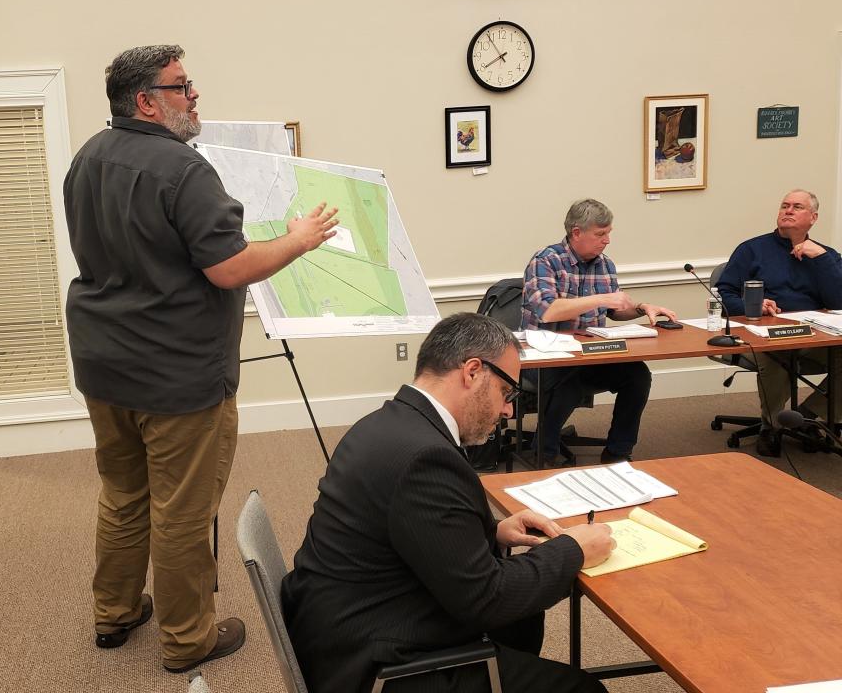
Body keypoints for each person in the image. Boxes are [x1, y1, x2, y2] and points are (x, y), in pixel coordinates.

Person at [63, 44, 338, 673]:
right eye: (182, 86)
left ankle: (115, 612)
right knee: (181, 511)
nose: (195, 96)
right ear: (146, 103)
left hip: (105, 368)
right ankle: (187, 640)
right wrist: (297, 240)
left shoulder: (86, 159)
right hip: (177, 378)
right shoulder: (183, 171)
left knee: (123, 493)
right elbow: (230, 269)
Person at [281, 313, 614, 693]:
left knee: (523, 619)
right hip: (374, 664)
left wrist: (491, 532)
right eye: (507, 394)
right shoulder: (425, 457)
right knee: (583, 688)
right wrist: (574, 550)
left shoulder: (384, 423)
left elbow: (408, 526)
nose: (508, 411)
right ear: (472, 372)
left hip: (338, 621)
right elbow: (487, 600)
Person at [521, 199, 677, 466]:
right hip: (546, 358)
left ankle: (618, 451)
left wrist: (641, 307)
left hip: (591, 354)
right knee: (568, 383)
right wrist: (602, 299)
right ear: (577, 233)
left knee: (637, 375)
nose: (606, 241)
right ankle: (543, 454)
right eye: (600, 234)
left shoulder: (605, 264)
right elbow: (548, 311)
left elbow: (615, 311)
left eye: (609, 233)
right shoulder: (545, 260)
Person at [716, 189, 842, 457]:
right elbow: (725, 294)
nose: (788, 210)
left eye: (797, 207)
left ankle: (808, 416)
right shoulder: (752, 249)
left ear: (813, 217)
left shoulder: (825, 254)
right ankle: (772, 426)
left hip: (816, 335)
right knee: (776, 353)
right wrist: (753, 305)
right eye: (784, 205)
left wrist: (819, 257)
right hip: (766, 332)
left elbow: (838, 301)